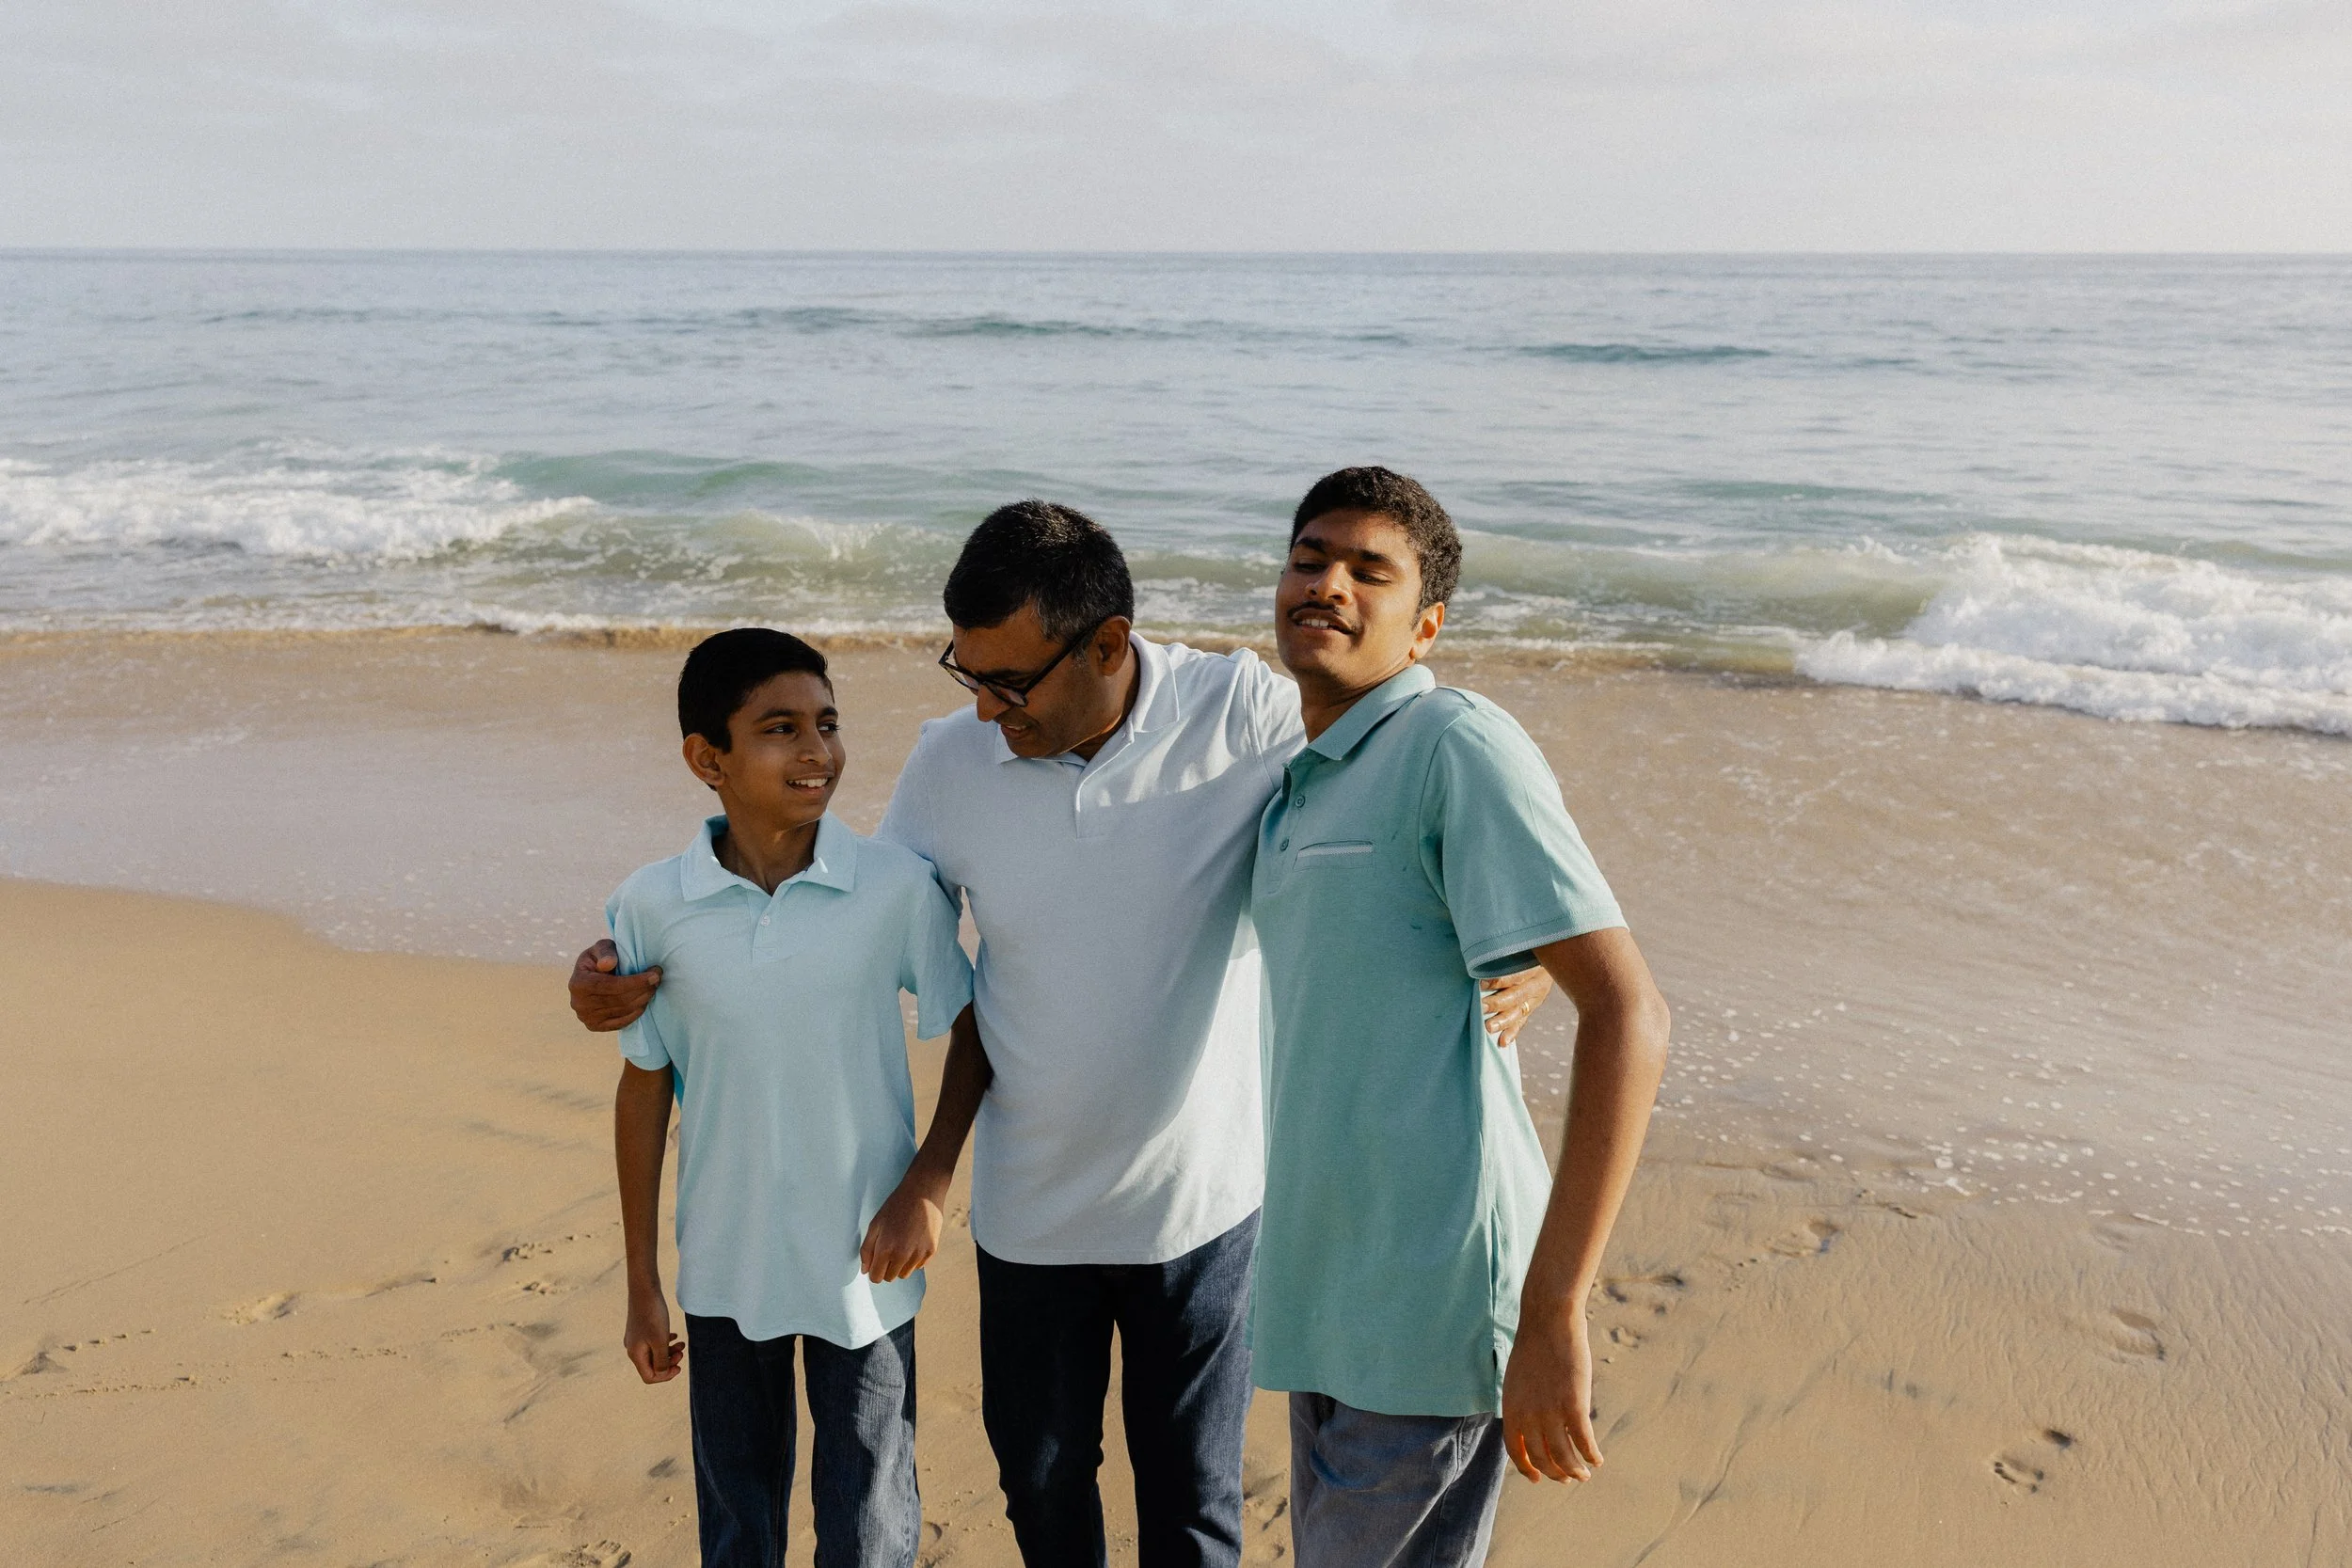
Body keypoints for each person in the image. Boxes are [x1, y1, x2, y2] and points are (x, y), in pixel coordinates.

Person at [573, 502, 1550, 1568]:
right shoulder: (952, 763)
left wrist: (1527, 938)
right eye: (969, 675)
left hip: (1205, 1208)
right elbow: (832, 905)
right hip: (1029, 1213)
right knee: (1043, 1494)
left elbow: (1420, 755)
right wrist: (617, 978)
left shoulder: (1242, 711)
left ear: (1107, 644)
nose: (988, 709)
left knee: (1194, 1511)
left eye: (1010, 682)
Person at [1248, 467, 1672, 1568]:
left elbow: (1628, 1011)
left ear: (1423, 622)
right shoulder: (1305, 777)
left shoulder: (1452, 740)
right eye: (1309, 557)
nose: (1326, 583)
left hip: (1432, 1297)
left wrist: (1553, 1311)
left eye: (1367, 571)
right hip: (1328, 1292)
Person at [606, 628, 975, 1568]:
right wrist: (644, 1280)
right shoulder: (653, 905)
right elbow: (644, 1083)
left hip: (866, 1263)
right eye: (780, 728)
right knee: (737, 1529)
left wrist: (926, 1183)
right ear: (707, 758)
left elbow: (969, 1025)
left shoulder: (892, 887)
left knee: (869, 1527)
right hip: (725, 1262)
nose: (816, 752)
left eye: (827, 723)